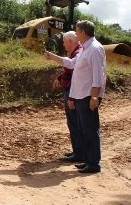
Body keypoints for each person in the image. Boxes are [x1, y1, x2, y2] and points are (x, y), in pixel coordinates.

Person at [45, 20, 106, 174]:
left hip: (87, 96)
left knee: (90, 130)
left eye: (77, 31)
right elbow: (71, 65)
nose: (76, 33)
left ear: (84, 32)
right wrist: (52, 57)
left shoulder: (94, 49)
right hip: (80, 95)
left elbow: (98, 76)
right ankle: (88, 160)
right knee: (85, 130)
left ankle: (93, 164)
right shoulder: (85, 49)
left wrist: (94, 97)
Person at [52, 31, 83, 163]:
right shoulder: (76, 52)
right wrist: (59, 77)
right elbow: (67, 68)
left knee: (74, 123)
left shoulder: (78, 53)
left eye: (64, 42)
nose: (63, 45)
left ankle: (79, 153)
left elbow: (70, 67)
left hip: (73, 91)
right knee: (74, 123)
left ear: (70, 41)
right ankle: (78, 151)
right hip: (71, 90)